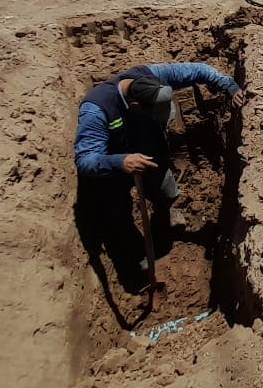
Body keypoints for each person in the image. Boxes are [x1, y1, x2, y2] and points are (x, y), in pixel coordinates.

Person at [73, 62, 243, 290]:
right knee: (119, 218)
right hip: (113, 172)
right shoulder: (97, 109)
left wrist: (229, 86)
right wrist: (120, 162)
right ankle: (136, 261)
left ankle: (165, 213)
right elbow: (86, 159)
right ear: (134, 106)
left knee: (166, 192)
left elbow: (199, 70)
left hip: (150, 155)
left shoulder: (151, 76)